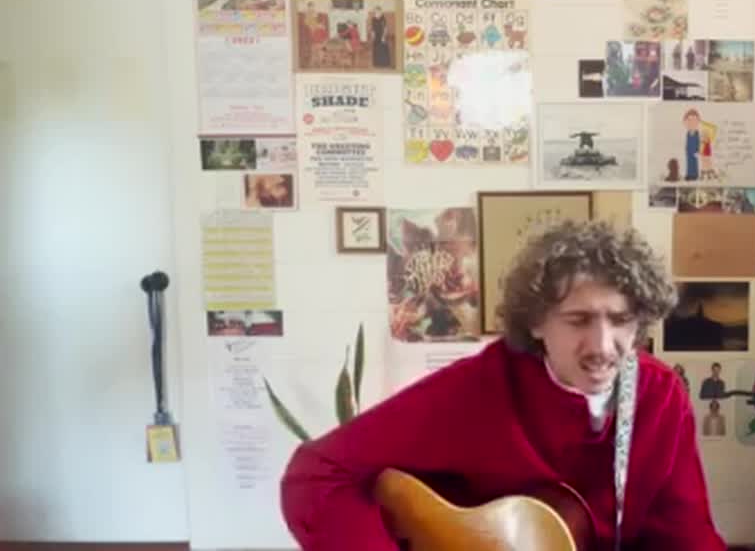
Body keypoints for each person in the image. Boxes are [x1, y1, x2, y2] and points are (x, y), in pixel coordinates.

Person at [279, 220, 726, 550]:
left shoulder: (660, 395)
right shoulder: (480, 387)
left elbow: (686, 532)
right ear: (536, 323)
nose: (602, 347)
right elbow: (317, 473)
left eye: (621, 320)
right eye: (578, 321)